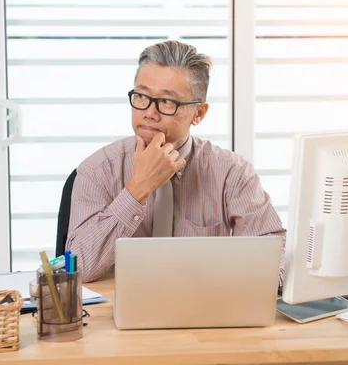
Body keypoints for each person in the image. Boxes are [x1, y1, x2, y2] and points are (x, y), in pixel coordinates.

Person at [66, 40, 286, 283]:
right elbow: (77, 269)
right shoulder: (97, 170)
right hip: (118, 313)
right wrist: (138, 188)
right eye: (141, 96)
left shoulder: (232, 173)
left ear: (199, 113)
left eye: (167, 102)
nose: (149, 112)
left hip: (207, 309)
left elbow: (273, 260)